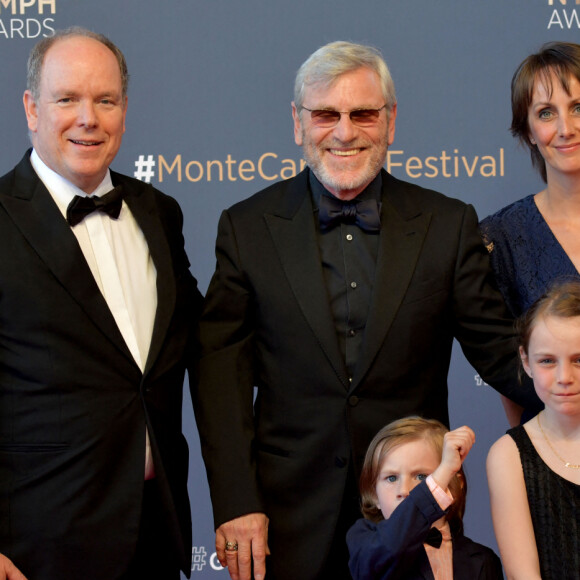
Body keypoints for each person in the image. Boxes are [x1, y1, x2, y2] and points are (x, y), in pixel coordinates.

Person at [195, 40, 540, 580]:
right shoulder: (247, 228)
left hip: (412, 514)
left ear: (391, 120)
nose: (344, 131)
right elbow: (220, 377)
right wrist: (237, 501)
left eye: (363, 114)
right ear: (297, 121)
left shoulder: (446, 226)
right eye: (326, 114)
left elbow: (500, 355)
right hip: (287, 521)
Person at [0, 27, 202, 580]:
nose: (88, 118)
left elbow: (201, 348)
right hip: (35, 551)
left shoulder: (160, 212)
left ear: (124, 111)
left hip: (154, 537)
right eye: (67, 99)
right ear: (31, 108)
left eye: (105, 100)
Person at [480, 42, 580, 424]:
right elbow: (510, 378)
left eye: (578, 108)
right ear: (528, 130)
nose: (565, 128)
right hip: (552, 459)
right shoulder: (500, 238)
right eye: (545, 113)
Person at [487, 279, 580, 579]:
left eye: (579, 360)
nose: (565, 377)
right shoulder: (509, 456)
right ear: (526, 361)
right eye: (548, 361)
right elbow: (522, 575)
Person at [347, 417, 503, 579]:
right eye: (391, 478)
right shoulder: (365, 542)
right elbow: (391, 547)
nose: (404, 490)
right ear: (374, 494)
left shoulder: (483, 559)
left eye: (421, 477)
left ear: (454, 483)